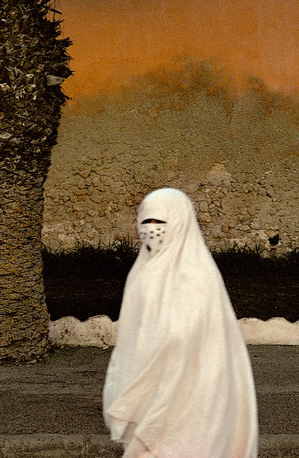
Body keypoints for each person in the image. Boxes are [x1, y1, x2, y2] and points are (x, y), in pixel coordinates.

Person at [103, 188, 257, 458]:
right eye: (146, 222)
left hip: (194, 392)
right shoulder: (143, 272)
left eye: (160, 223)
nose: (151, 230)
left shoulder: (196, 275)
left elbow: (185, 336)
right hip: (151, 390)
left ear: (180, 222)